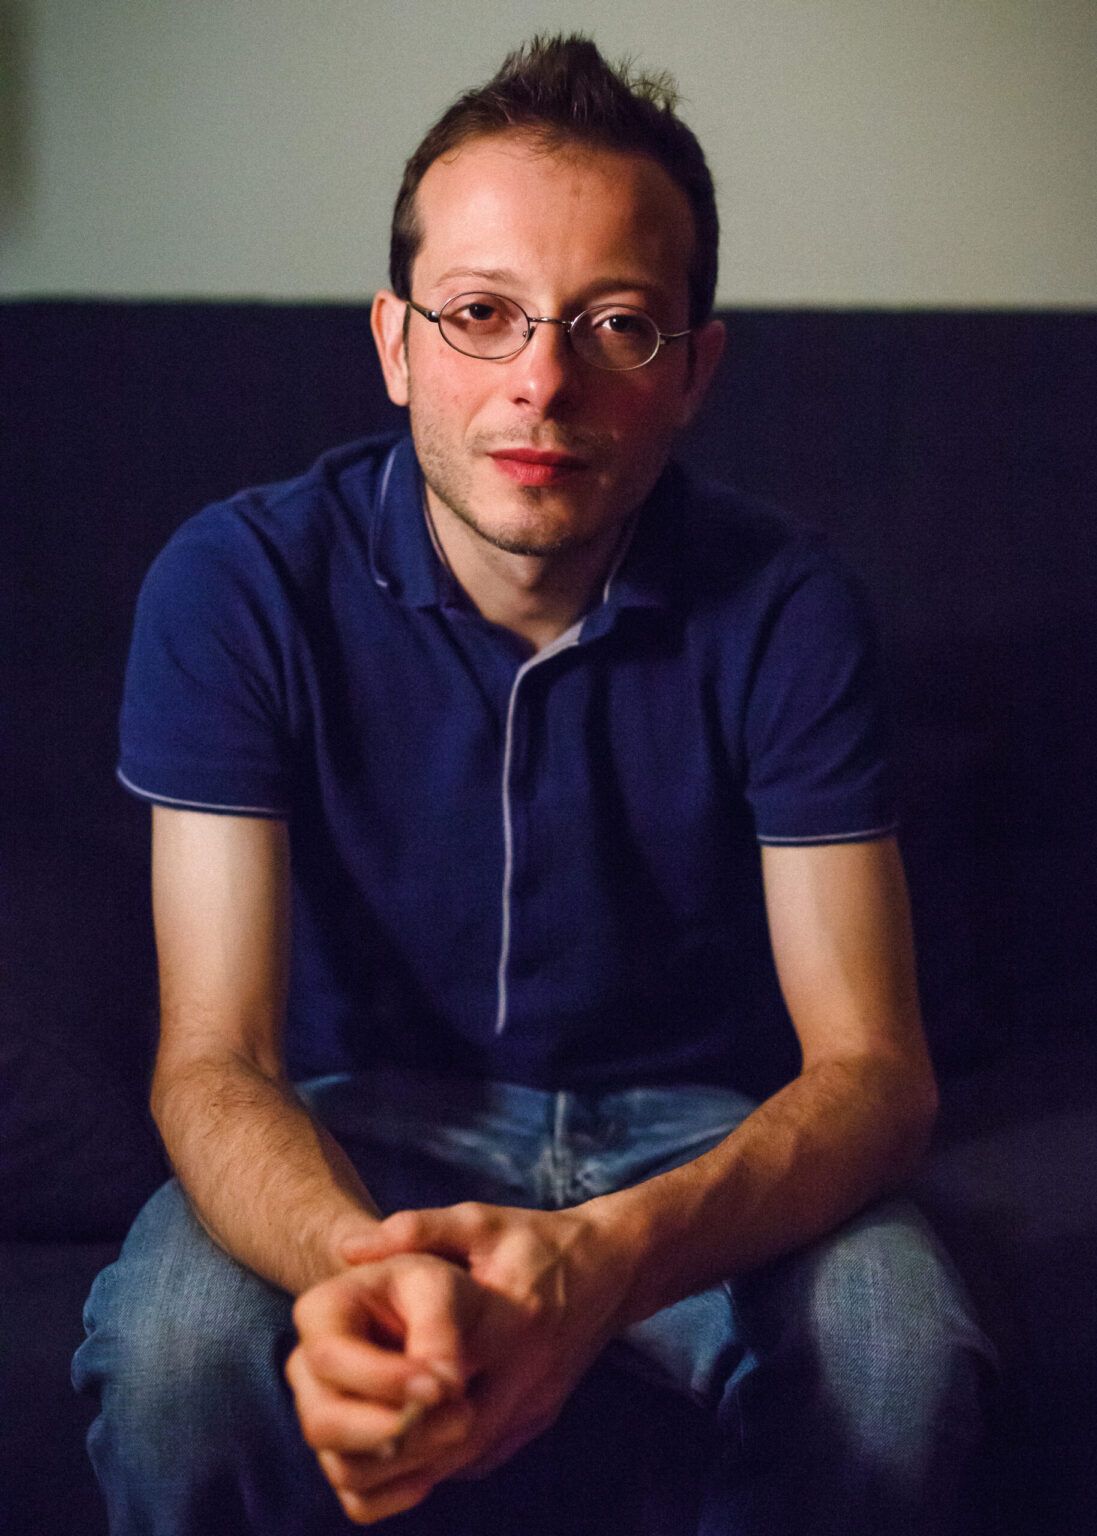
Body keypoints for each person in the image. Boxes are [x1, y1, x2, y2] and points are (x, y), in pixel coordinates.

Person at [73, 33, 995, 1536]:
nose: (542, 381)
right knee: (178, 1358)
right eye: (482, 315)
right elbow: (214, 1057)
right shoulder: (237, 581)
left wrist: (610, 1259)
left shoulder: (789, 605)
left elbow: (875, 1076)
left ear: (692, 371)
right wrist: (369, 1278)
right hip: (353, 1126)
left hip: (694, 1131)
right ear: (396, 345)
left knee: (899, 1354)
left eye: (615, 324)